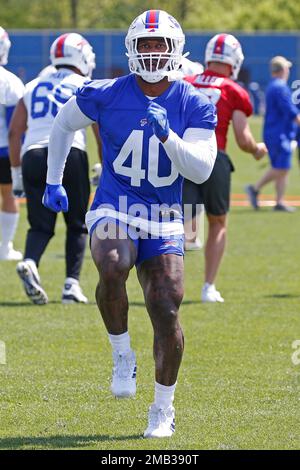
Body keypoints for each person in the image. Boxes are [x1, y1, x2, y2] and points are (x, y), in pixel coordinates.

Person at [42, 10, 217, 438]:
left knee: (166, 304)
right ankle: (122, 353)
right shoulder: (106, 93)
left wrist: (168, 138)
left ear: (175, 50)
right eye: (146, 44)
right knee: (114, 262)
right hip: (115, 206)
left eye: (160, 45)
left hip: (164, 216)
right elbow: (63, 126)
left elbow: (201, 171)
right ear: (132, 49)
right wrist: (53, 180)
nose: (153, 52)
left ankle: (162, 408)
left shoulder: (193, 102)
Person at [8, 32, 100, 305]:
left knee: (40, 224)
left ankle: (30, 262)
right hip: (71, 153)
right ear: (81, 56)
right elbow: (101, 130)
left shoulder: (32, 84)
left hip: (33, 154)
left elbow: (15, 132)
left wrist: (16, 174)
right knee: (77, 224)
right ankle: (71, 285)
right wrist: (105, 166)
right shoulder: (85, 84)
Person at [184, 33, 267, 303]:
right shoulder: (233, 90)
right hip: (214, 156)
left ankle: (166, 282)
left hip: (182, 155)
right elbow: (243, 140)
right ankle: (208, 286)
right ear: (234, 61)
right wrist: (257, 149)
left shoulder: (186, 83)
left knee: (172, 223)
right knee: (217, 222)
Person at [246, 56, 300, 212]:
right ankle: (255, 189)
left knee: (283, 168)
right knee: (281, 167)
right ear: (283, 69)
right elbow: (290, 111)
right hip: (278, 133)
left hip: (276, 132)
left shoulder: (274, 86)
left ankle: (279, 201)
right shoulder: (280, 87)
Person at [0, 27, 24, 261]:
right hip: (4, 150)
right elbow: (15, 126)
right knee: (9, 195)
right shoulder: (10, 81)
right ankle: (4, 247)